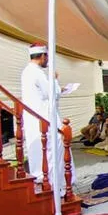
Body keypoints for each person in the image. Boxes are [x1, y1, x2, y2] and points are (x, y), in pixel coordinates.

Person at [20, 43, 75, 192]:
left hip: (34, 118)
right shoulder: (37, 72)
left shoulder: (27, 71)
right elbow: (51, 93)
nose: (47, 61)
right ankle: (56, 185)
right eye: (47, 57)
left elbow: (43, 93)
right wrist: (55, 80)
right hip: (44, 118)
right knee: (53, 151)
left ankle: (42, 178)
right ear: (43, 56)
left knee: (39, 152)